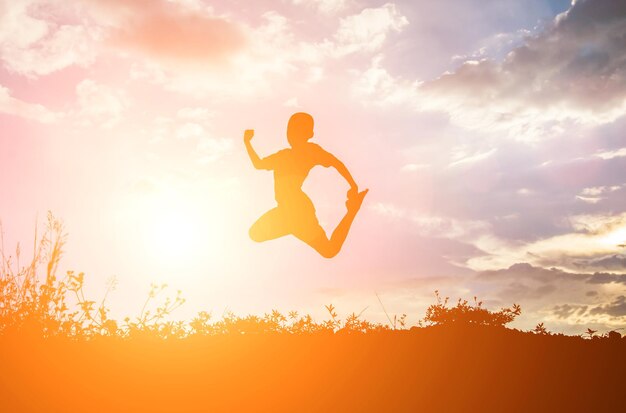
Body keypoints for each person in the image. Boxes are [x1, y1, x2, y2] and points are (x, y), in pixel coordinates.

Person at [244, 112, 368, 258]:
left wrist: (352, 185)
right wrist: (247, 142)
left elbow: (336, 163)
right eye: (290, 130)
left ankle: (351, 211)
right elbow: (258, 164)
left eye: (296, 130)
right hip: (285, 211)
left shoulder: (310, 151)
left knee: (329, 251)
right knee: (254, 234)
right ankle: (293, 227)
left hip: (298, 208)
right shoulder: (282, 156)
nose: (291, 134)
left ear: (310, 133)